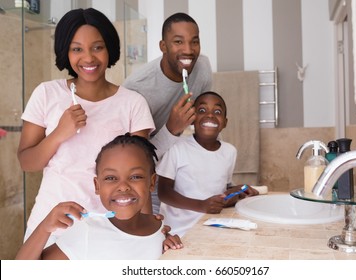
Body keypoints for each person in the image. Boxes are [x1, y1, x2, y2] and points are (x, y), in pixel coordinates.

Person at [17, 8, 155, 247]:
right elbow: (27, 162)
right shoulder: (46, 93)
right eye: (77, 48)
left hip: (110, 228)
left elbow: (140, 178)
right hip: (52, 225)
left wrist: (149, 232)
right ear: (65, 52)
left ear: (109, 48)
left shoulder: (133, 103)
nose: (89, 58)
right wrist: (60, 133)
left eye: (98, 47)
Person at [16, 134, 183, 260]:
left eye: (135, 177)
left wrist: (172, 256)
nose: (123, 186)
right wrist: (44, 228)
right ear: (97, 186)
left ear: (152, 182)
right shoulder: (87, 231)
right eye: (111, 178)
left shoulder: (160, 229)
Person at [122, 12, 213, 213]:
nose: (188, 50)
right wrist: (172, 128)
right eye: (178, 42)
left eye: (194, 42)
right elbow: (132, 159)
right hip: (148, 179)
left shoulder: (203, 67)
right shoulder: (137, 88)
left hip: (184, 171)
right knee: (154, 237)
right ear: (163, 46)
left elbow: (207, 124)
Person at [156, 91, 259, 237]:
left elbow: (223, 187)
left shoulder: (229, 151)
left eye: (217, 111)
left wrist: (239, 191)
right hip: (178, 232)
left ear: (225, 122)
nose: (210, 115)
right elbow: (164, 193)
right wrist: (201, 205)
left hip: (213, 226)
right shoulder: (177, 148)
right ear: (192, 119)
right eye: (202, 110)